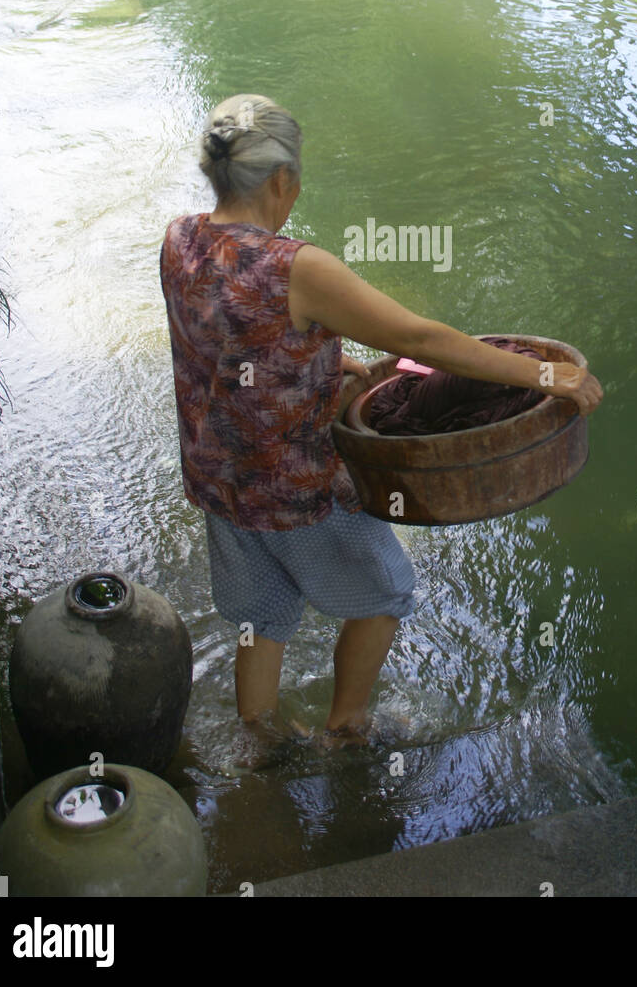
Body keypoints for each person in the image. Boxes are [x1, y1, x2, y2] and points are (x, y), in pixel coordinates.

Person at [159, 94, 603, 747]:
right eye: (296, 180)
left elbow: (223, 339)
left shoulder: (179, 240)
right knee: (388, 590)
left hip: (216, 480)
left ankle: (257, 738)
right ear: (283, 180)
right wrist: (546, 374)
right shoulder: (298, 268)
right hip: (292, 489)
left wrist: (318, 367)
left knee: (263, 615)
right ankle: (345, 729)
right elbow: (423, 340)